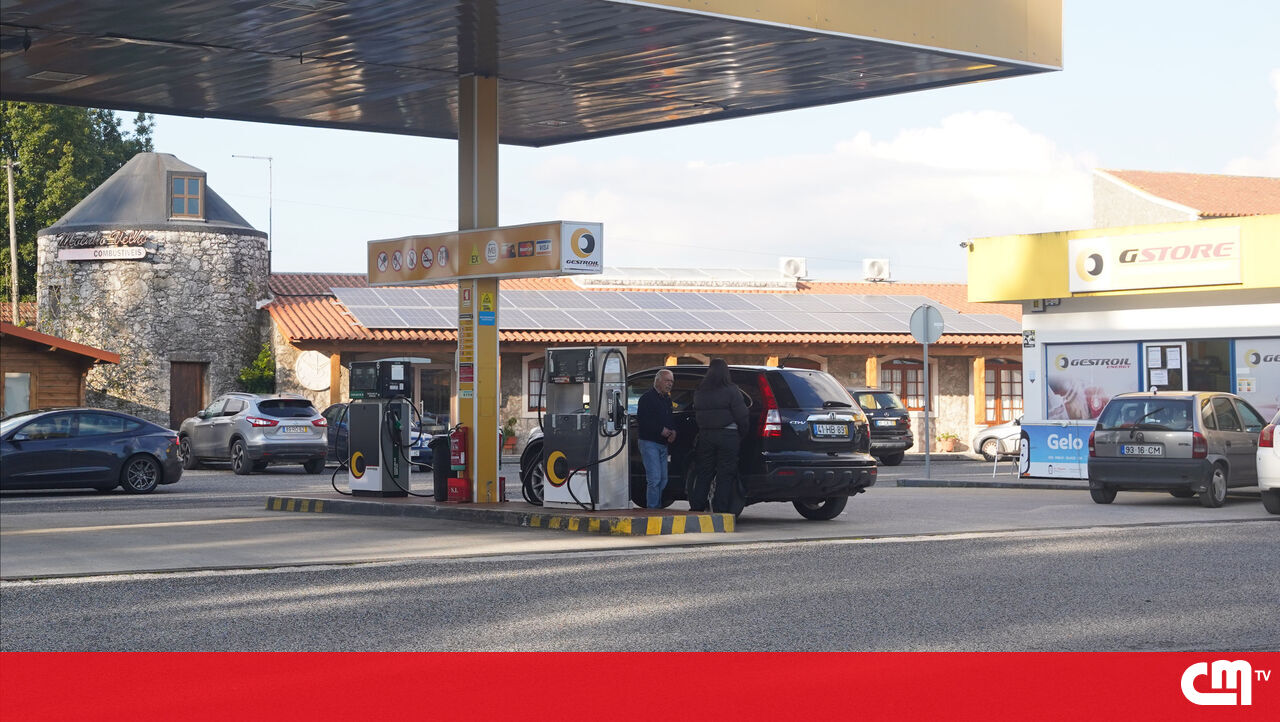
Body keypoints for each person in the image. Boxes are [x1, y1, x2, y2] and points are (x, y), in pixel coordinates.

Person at [690, 358, 748, 513]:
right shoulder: (731, 390)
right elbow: (742, 415)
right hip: (728, 435)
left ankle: (696, 507)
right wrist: (742, 433)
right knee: (725, 473)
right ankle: (720, 508)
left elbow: (697, 412)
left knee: (704, 472)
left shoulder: (700, 390)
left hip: (706, 435)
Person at [636, 368, 676, 508]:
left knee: (663, 479)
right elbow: (643, 421)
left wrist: (673, 431)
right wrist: (661, 430)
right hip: (649, 442)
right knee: (654, 479)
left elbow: (669, 418)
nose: (670, 384)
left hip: (663, 444)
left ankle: (656, 506)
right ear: (658, 381)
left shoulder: (667, 399)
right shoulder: (646, 399)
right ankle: (652, 509)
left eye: (671, 381)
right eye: (667, 381)